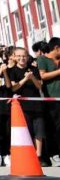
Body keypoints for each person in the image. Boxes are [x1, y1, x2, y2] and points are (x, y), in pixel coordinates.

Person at [8, 47, 46, 164]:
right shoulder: (12, 71)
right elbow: (13, 87)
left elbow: (39, 86)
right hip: (21, 105)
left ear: (27, 56)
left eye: (24, 56)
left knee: (39, 129)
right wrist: (25, 79)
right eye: (18, 56)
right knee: (26, 130)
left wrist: (32, 77)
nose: (21, 58)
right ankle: (29, 155)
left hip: (36, 103)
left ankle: (38, 155)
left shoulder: (34, 69)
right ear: (14, 57)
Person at [36, 38, 60, 166]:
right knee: (53, 127)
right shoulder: (43, 59)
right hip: (51, 99)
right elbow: (43, 76)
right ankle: (54, 154)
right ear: (56, 48)